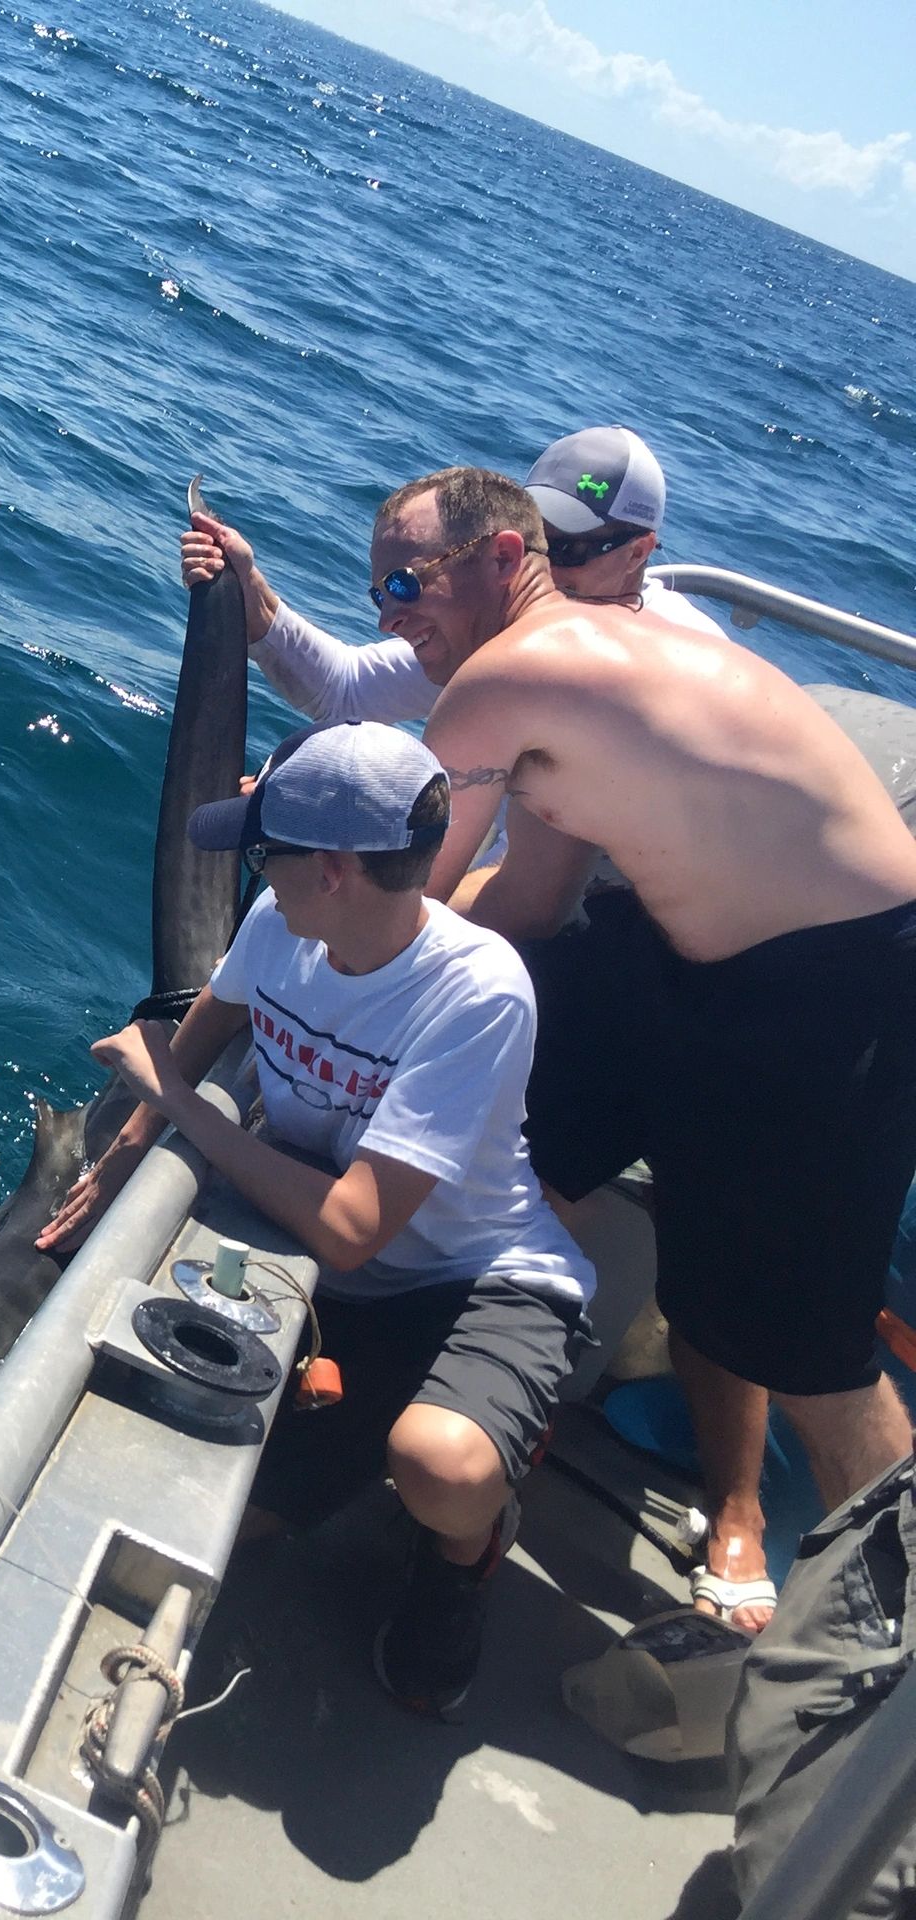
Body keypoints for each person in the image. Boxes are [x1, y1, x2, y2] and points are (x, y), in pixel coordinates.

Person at [375, 462, 916, 1633]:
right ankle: (453, 1415)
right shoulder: (572, 659)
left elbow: (394, 912)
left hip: (839, 987)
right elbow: (528, 896)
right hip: (670, 950)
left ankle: (886, 1655)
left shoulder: (494, 685)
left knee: (808, 1343)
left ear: (502, 562)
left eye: (409, 579)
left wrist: (281, 957)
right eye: (377, 586)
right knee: (512, 1139)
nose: (392, 609)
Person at [39, 720, 595, 1717]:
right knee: (210, 1519)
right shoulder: (275, 928)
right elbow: (198, 1046)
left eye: (267, 853)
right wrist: (116, 1167)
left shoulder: (477, 995)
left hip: (474, 1278)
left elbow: (347, 1226)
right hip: (339, 1280)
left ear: (333, 872)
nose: (257, 873)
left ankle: (463, 1558)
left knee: (440, 1468)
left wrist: (166, 1099)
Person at [179, 426, 721, 727]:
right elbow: (346, 691)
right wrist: (256, 604)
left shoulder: (662, 667)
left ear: (639, 553)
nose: (542, 563)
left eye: (567, 549)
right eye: (532, 533)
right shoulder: (495, 632)